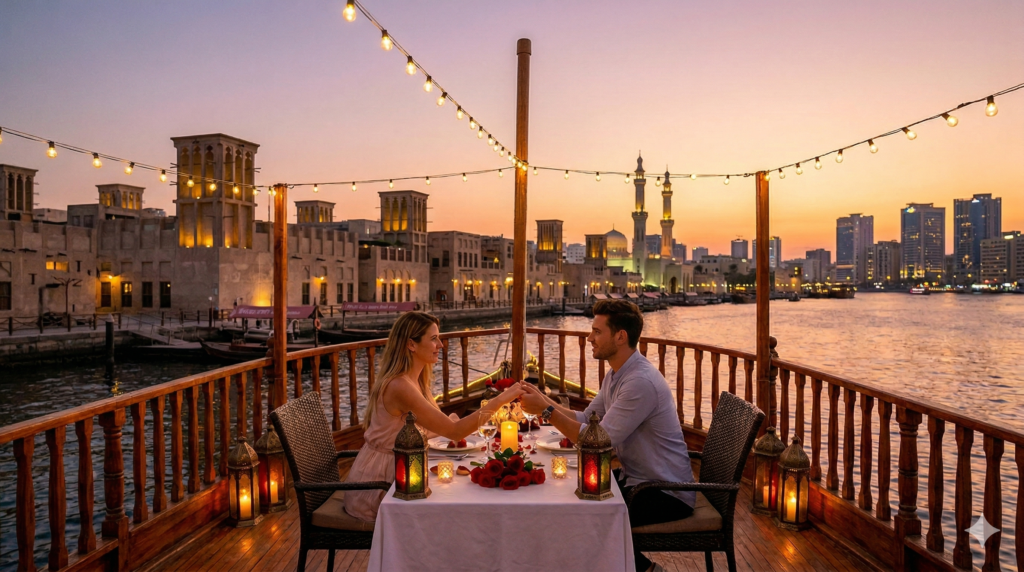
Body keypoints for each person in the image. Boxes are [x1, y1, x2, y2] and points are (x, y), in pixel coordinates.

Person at [519, 299, 695, 572]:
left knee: (584, 517)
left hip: (666, 493)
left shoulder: (639, 382)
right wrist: (544, 400)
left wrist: (546, 412)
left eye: (597, 332)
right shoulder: (616, 374)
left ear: (620, 336)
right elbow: (586, 421)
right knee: (571, 502)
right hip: (637, 481)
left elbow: (595, 441)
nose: (589, 338)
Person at [344, 311, 523, 521]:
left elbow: (441, 428)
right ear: (412, 344)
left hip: (406, 468)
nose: (441, 345)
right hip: (383, 485)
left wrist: (456, 422)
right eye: (433, 339)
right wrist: (503, 398)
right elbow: (455, 432)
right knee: (458, 508)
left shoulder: (416, 381)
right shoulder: (400, 386)